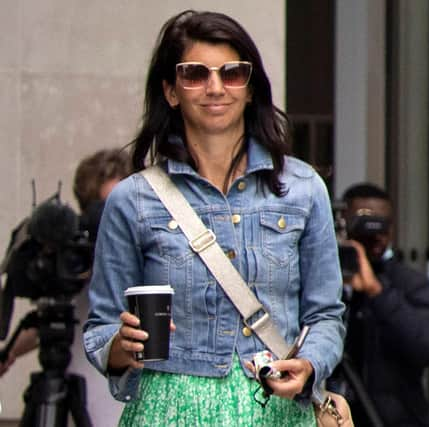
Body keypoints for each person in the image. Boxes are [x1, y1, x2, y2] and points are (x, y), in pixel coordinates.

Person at [82, 10, 345, 426]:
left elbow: (325, 315)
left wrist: (310, 365)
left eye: (232, 73)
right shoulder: (133, 199)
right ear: (171, 91)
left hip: (271, 406)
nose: (215, 87)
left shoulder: (303, 188)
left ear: (251, 88)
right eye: (195, 74)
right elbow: (100, 326)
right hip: (167, 409)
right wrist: (118, 348)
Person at [0, 148, 131, 422]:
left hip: (126, 404)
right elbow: (47, 324)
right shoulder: (71, 263)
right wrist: (9, 353)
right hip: (79, 402)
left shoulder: (147, 260)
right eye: (103, 209)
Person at [332, 182, 429, 427]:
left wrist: (378, 292)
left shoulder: (411, 284)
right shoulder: (323, 282)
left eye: (382, 225)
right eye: (363, 224)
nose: (374, 235)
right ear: (343, 226)